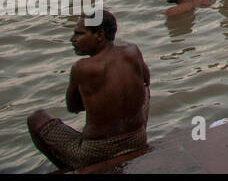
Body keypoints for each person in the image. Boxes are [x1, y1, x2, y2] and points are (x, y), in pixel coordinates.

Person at [27, 12, 150, 170]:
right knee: (146, 92)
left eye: (79, 34)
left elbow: (73, 107)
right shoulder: (133, 51)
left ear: (99, 35)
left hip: (97, 151)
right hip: (137, 138)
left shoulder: (82, 67)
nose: (72, 39)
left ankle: (71, 168)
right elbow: (146, 81)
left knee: (36, 118)